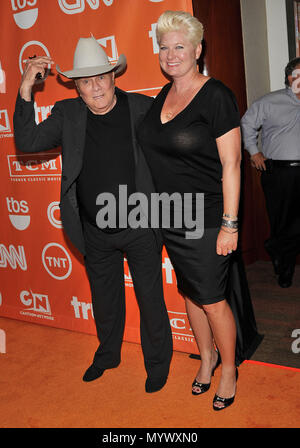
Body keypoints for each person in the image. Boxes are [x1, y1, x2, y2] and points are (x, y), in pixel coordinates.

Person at [13, 36, 173, 393]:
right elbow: (27, 142)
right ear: (77, 88)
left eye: (101, 77)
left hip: (141, 223)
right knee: (105, 299)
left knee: (150, 297)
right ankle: (107, 355)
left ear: (114, 76)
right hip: (93, 228)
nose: (95, 86)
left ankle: (158, 365)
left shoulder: (143, 108)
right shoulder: (67, 115)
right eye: (86, 81)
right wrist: (26, 85)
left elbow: (175, 152)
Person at [138, 10, 262, 410]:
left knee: (212, 298)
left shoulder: (216, 95)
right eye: (164, 47)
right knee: (192, 294)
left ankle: (228, 368)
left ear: (197, 49)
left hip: (208, 218)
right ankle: (206, 357)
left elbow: (231, 165)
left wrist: (230, 225)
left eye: (179, 47)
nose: (171, 55)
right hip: (173, 217)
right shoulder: (163, 95)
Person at [241, 58, 300, 288]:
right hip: (280, 174)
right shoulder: (269, 101)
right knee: (283, 223)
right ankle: (282, 263)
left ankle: (277, 250)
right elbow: (246, 124)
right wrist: (254, 152)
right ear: (289, 77)